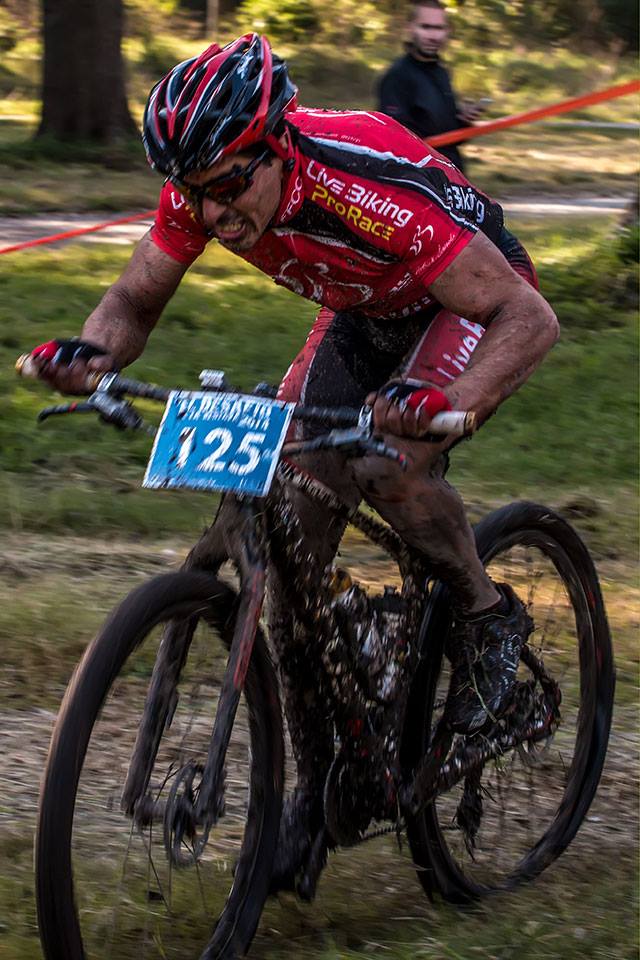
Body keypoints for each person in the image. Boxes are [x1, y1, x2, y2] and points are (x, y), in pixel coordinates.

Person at [28, 34, 558, 896]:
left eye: (229, 187)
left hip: (468, 300)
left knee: (387, 466)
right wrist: (94, 353)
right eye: (194, 193)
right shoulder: (208, 183)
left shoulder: (358, 183)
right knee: (289, 536)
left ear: (277, 147)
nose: (214, 214)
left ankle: (485, 615)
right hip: (362, 309)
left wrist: (454, 400)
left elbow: (527, 316)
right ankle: (321, 794)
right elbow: (133, 298)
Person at [377, 0, 485, 172]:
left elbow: (447, 136)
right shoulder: (398, 76)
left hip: (451, 176)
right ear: (410, 28)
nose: (433, 36)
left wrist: (462, 121)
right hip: (422, 180)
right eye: (426, 27)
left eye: (439, 28)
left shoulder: (441, 72)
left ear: (447, 31)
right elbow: (395, 143)